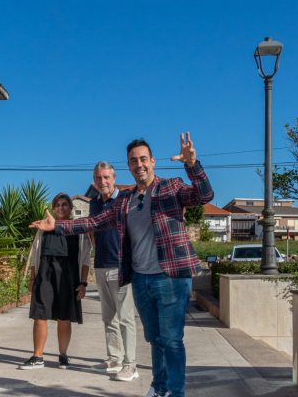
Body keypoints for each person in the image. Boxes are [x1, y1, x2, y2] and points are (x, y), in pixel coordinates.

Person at [31, 133, 213, 397]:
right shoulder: (125, 201)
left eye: (143, 159)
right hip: (141, 278)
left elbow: (205, 194)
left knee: (172, 340)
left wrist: (192, 165)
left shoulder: (171, 188)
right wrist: (57, 226)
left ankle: (175, 392)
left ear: (152, 161)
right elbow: (94, 223)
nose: (139, 165)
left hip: (171, 277)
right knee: (155, 338)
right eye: (133, 161)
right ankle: (159, 387)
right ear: (128, 166)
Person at [19, 193, 91, 370]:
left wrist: (83, 283)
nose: (61, 207)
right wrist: (32, 278)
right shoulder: (43, 228)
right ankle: (37, 357)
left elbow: (85, 259)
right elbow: (35, 254)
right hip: (45, 274)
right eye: (57, 204)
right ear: (53, 208)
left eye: (65, 204)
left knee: (64, 317)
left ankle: (63, 355)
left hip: (69, 276)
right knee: (40, 314)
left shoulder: (78, 229)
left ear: (70, 208)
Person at [89, 161, 138, 381]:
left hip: (120, 266)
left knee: (126, 318)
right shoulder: (94, 203)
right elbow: (92, 231)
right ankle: (115, 358)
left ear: (114, 178)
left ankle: (131, 365)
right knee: (109, 317)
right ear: (94, 180)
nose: (103, 181)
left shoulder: (125, 200)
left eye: (106, 177)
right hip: (100, 265)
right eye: (99, 178)